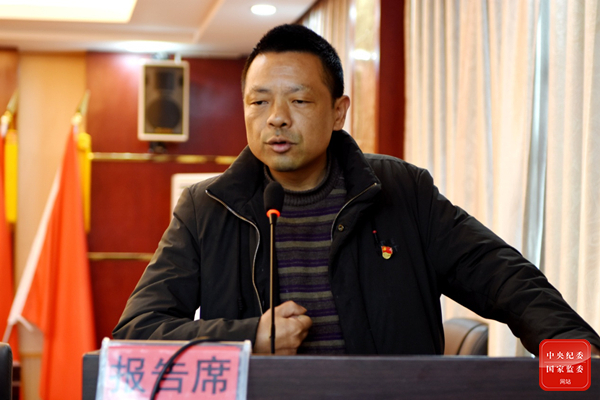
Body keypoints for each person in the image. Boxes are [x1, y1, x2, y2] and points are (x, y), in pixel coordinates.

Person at [113, 24, 600, 356]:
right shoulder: (207, 209)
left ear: (338, 112)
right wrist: (247, 338)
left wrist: (581, 359)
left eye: (299, 100)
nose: (276, 118)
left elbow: (504, 280)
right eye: (258, 102)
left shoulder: (401, 191)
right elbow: (137, 332)